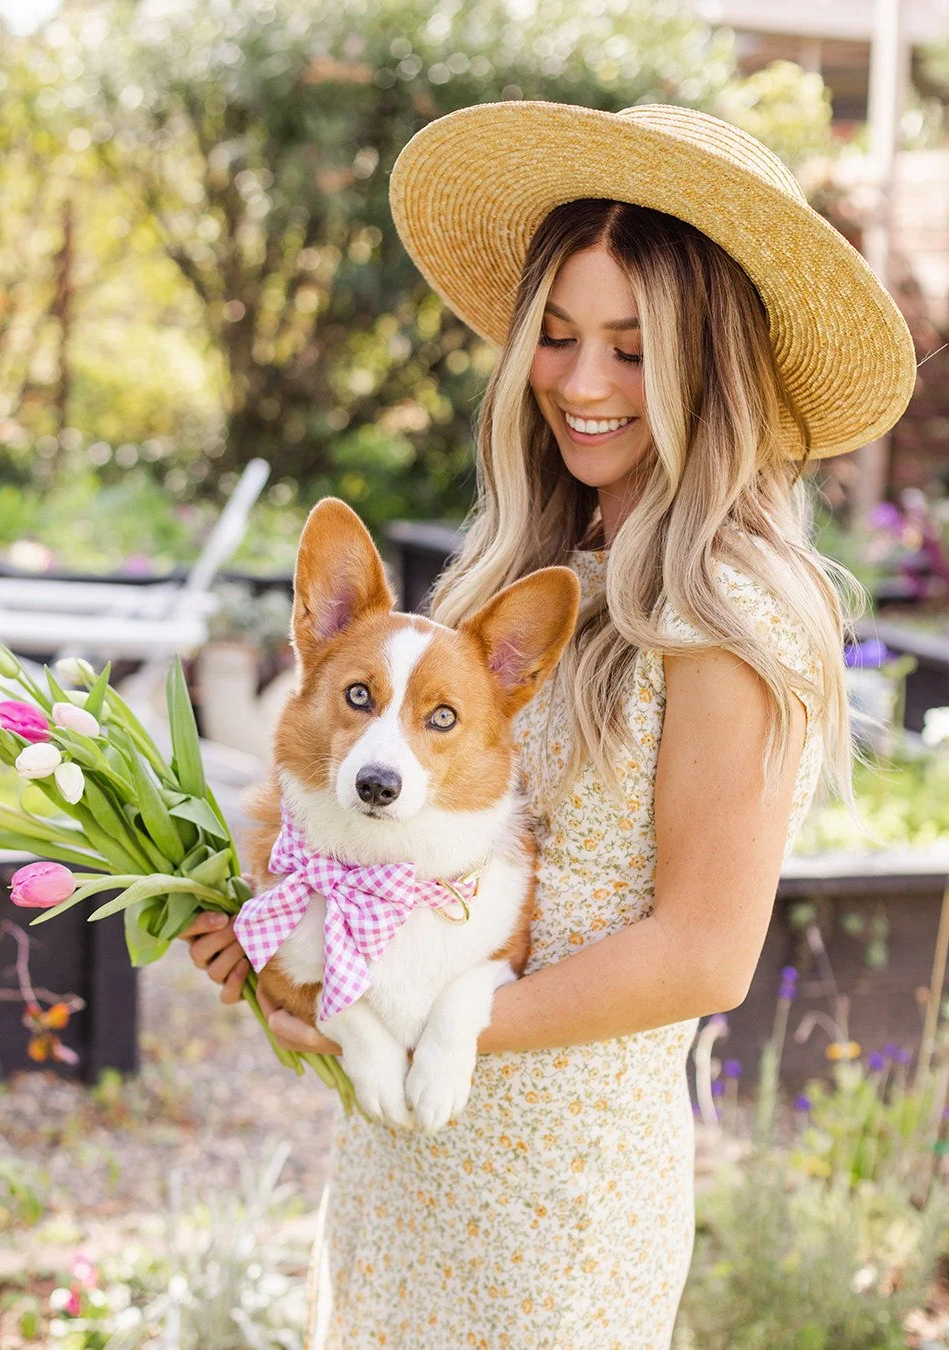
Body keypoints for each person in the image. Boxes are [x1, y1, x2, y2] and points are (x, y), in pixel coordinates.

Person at [180, 101, 915, 1347]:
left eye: (634, 350)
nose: (582, 383)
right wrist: (290, 958)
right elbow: (413, 867)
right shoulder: (524, 572)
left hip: (559, 1201)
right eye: (559, 336)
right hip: (411, 1159)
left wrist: (432, 1025)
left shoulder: (726, 614)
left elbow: (702, 955)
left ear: (710, 365)